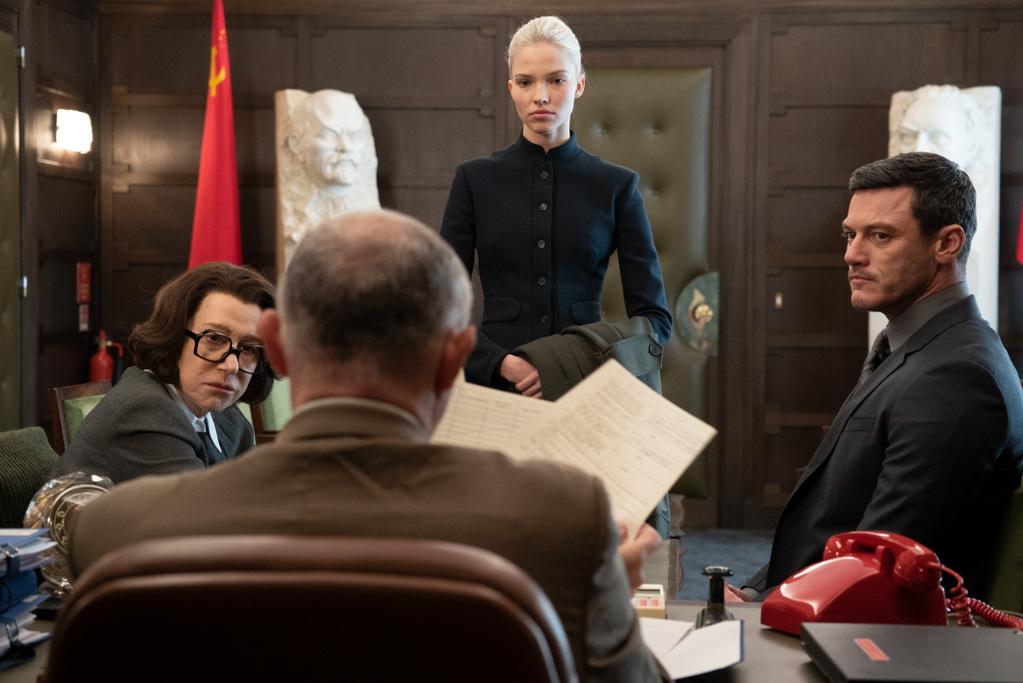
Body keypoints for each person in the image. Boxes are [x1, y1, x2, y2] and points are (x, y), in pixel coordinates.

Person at [70, 210, 670, 682]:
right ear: (456, 360)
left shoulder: (111, 532)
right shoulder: (565, 521)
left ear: (273, 346)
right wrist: (604, 604)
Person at [738, 152, 1023, 600]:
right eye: (850, 234)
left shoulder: (957, 376)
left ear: (947, 244)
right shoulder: (918, 345)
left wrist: (765, 606)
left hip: (867, 629)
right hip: (817, 604)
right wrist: (752, 594)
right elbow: (833, 518)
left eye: (880, 236)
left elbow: (880, 564)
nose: (852, 254)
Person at [440, 15, 672, 398]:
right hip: (493, 388)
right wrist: (503, 364)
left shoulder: (616, 186)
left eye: (556, 80)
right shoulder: (474, 180)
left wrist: (566, 364)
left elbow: (655, 321)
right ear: (511, 88)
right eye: (526, 82)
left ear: (579, 85)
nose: (540, 96)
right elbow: (437, 310)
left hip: (584, 390)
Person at [52, 262, 276, 484]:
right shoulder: (144, 412)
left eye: (249, 348)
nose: (232, 365)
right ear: (174, 338)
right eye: (214, 338)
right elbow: (205, 506)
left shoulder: (230, 420)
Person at [277, 89, 380, 264]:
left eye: (354, 136)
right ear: (295, 144)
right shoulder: (296, 220)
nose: (345, 147)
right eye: (329, 135)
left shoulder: (375, 224)